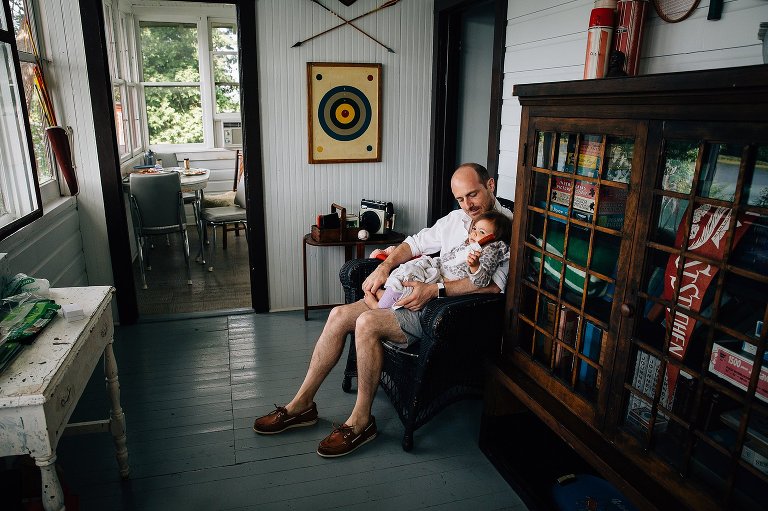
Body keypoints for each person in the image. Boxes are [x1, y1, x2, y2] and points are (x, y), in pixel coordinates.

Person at [252, 163, 513, 458]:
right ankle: (301, 406)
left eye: (473, 195)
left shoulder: (504, 228)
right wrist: (385, 267)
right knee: (338, 315)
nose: (468, 205)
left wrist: (435, 291)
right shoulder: (456, 219)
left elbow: (494, 286)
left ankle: (362, 421)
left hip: (441, 313)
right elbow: (413, 243)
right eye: (461, 199)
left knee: (366, 323)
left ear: (490, 185)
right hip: (417, 292)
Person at [365, 210, 512, 310]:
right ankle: (387, 293)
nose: (474, 234)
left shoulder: (493, 249)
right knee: (407, 270)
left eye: (482, 232)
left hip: (442, 283)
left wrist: (474, 266)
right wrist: (384, 266)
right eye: (474, 229)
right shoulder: (464, 233)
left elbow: (484, 282)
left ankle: (379, 306)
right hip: (437, 269)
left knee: (410, 285)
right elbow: (417, 243)